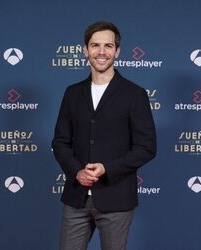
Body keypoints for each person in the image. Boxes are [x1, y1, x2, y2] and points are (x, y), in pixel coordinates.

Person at [52, 21, 157, 250]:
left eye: (108, 46)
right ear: (85, 50)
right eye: (95, 45)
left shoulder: (134, 94)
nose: (102, 52)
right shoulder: (72, 93)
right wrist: (76, 172)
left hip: (117, 198)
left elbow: (146, 147)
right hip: (76, 198)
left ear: (117, 51)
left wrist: (107, 169)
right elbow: (60, 142)